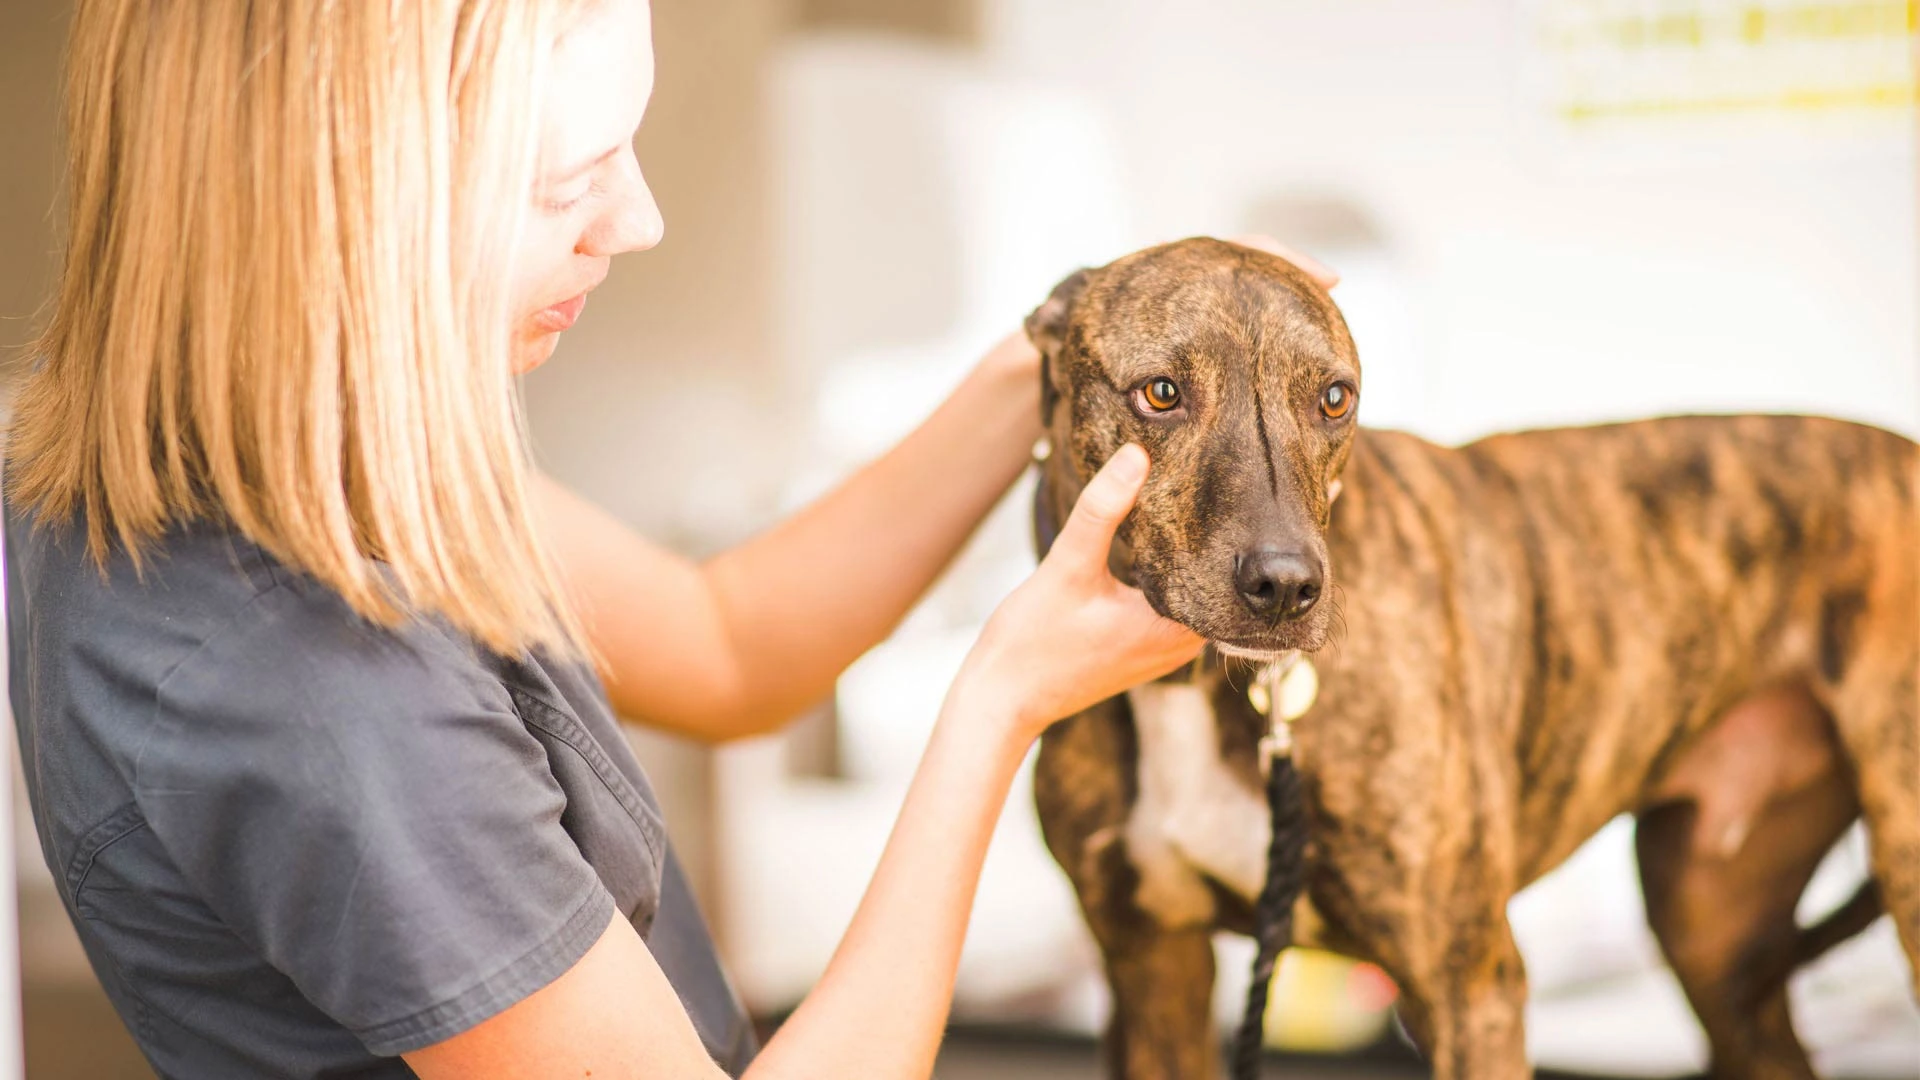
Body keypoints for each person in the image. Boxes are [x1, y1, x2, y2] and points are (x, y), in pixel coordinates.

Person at [5, 1, 1335, 1077]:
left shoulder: (302, 455)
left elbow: (728, 646)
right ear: (347, 199)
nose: (635, 222)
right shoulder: (310, 678)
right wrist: (999, 704)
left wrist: (1057, 348)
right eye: (571, 181)